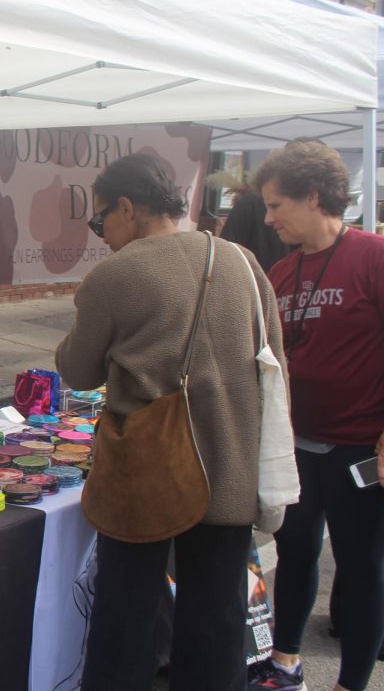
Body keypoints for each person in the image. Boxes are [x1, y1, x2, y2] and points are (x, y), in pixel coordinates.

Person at [55, 153, 285, 691]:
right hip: (228, 470)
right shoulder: (243, 263)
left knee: (124, 621)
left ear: (128, 208)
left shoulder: (115, 274)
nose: (101, 235)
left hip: (147, 472)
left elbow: (77, 370)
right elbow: (274, 365)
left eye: (100, 220)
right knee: (215, 622)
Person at [247, 140, 384, 691]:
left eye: (278, 205)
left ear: (313, 196)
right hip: (295, 447)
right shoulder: (280, 274)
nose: (269, 217)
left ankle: (351, 684)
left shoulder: (373, 257)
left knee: (361, 568)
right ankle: (285, 664)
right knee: (296, 553)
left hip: (357, 449)